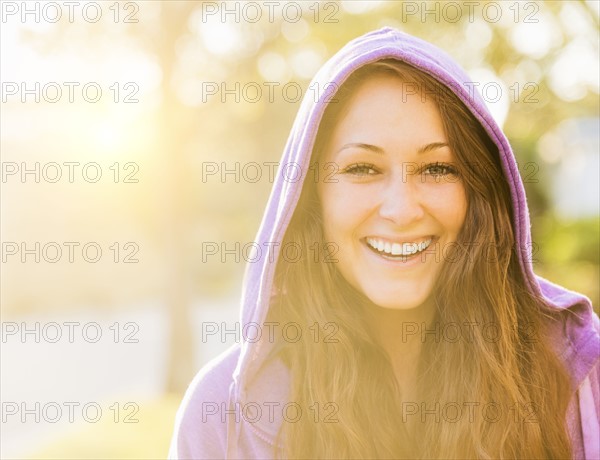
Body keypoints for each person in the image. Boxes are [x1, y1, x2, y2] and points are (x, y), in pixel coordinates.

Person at [169, 27, 600, 459]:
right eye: (362, 168)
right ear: (310, 196)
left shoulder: (579, 375)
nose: (400, 210)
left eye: (436, 168)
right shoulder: (220, 418)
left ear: (479, 193)